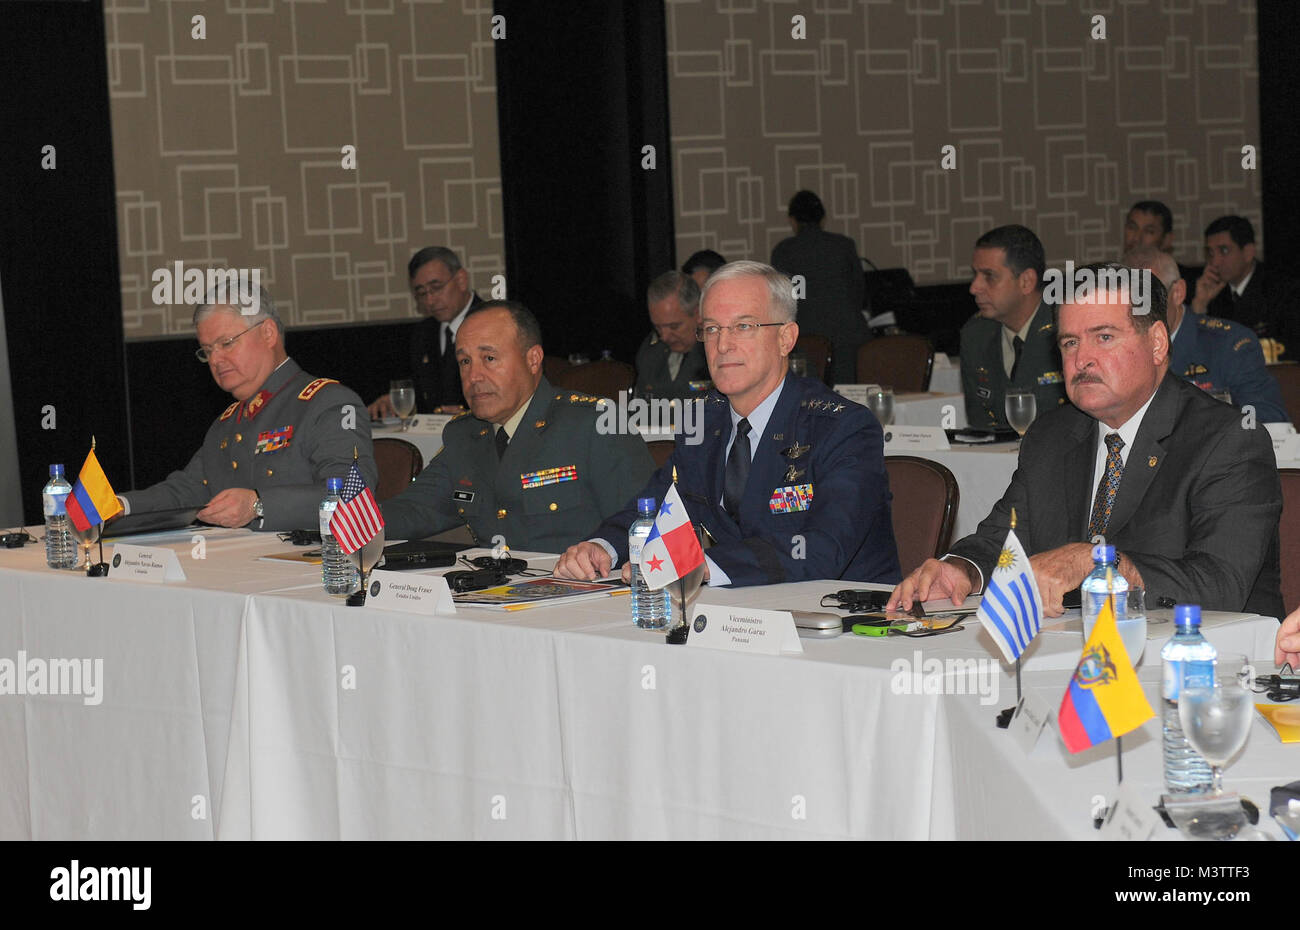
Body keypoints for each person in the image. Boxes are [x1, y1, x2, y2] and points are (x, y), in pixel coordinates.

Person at [890, 262, 1283, 619]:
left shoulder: (1228, 439)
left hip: (1208, 664)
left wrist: (1101, 563)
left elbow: (1221, 584)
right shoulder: (1052, 436)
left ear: (1158, 343)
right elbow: (1003, 539)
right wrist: (961, 569)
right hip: (1075, 655)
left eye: (1104, 337)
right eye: (1070, 343)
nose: (1082, 360)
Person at [554, 261, 900, 587]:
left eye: (744, 326)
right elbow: (655, 504)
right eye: (712, 329)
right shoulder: (704, 420)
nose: (723, 345)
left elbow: (824, 548)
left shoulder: (841, 428)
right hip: (739, 619)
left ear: (786, 338)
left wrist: (707, 566)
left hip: (842, 621)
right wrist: (603, 546)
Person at [380, 301, 655, 552]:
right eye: (465, 361)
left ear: (533, 359)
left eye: (489, 358)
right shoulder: (464, 435)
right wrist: (342, 525)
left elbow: (643, 525)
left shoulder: (595, 424)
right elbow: (415, 509)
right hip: (489, 595)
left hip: (579, 594)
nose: (473, 376)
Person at [119, 287, 377, 532]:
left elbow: (352, 495)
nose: (215, 360)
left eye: (227, 343)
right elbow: (185, 491)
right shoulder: (226, 424)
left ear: (267, 333)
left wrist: (259, 506)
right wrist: (118, 506)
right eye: (207, 351)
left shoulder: (328, 403)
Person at [1125, 245, 1288, 423]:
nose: (1137, 313)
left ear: (1178, 293)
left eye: (1148, 300)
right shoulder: (1114, 349)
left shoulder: (1229, 345)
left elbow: (1266, 419)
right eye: (1127, 303)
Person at [960, 225, 1067, 430]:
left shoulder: (1064, 330)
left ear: (1026, 281)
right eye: (975, 274)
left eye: (989, 276)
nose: (974, 287)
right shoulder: (976, 336)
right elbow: (980, 424)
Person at [367, 247, 484, 418]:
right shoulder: (423, 333)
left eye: (436, 288)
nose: (430, 300)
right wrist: (399, 402)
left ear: (461, 280)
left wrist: (472, 414)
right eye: (421, 293)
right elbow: (427, 398)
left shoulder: (493, 323)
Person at [770, 191, 869, 384]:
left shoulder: (784, 251)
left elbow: (783, 301)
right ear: (823, 219)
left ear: (792, 220)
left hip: (806, 342)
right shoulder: (844, 245)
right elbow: (859, 293)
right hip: (848, 338)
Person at [1193, 216, 1300, 358]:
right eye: (1211, 253)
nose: (1215, 262)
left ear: (1248, 252)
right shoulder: (1212, 292)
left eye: (1224, 251)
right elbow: (1195, 352)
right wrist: (1200, 306)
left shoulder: (1282, 290)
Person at [633, 271, 710, 401]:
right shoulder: (650, 352)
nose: (664, 336)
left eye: (674, 326)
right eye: (657, 327)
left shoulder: (717, 350)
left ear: (698, 314)